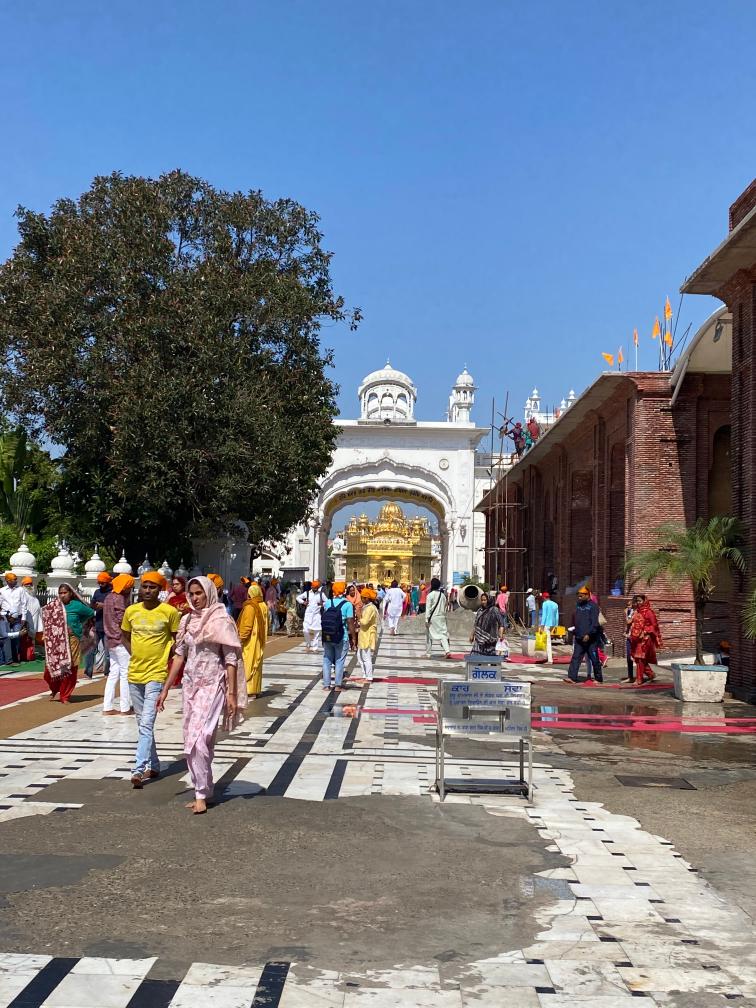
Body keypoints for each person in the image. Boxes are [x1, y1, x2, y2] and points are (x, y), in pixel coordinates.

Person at [158, 576, 247, 815]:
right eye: (192, 594)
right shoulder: (187, 620)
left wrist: (231, 692)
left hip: (214, 685)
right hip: (191, 686)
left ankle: (201, 792)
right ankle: (202, 788)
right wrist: (166, 688)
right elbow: (179, 656)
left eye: (199, 593)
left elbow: (230, 658)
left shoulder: (220, 619)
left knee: (201, 738)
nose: (196, 598)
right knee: (194, 739)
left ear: (209, 593)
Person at [121, 571, 181, 788]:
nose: (147, 591)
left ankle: (138, 769)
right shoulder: (131, 611)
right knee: (141, 723)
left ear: (160, 589)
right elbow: (124, 636)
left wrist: (169, 659)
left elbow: (177, 641)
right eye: (144, 586)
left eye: (152, 587)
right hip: (134, 673)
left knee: (147, 723)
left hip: (156, 675)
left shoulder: (170, 612)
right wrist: (135, 653)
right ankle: (154, 764)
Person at [41, 583, 95, 703]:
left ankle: (65, 695)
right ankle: (55, 688)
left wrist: (76, 626)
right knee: (49, 670)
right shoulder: (54, 606)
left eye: (65, 593)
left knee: (70, 668)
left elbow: (90, 613)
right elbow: (47, 620)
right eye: (60, 593)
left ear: (71, 593)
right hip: (56, 641)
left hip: (72, 640)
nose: (62, 595)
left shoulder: (77, 606)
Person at [103, 574, 134, 715]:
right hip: (121, 640)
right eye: (130, 587)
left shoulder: (109, 597)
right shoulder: (119, 598)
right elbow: (123, 619)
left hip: (110, 639)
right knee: (125, 673)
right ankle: (125, 707)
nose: (131, 589)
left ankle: (107, 707)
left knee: (113, 674)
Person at [321, 580, 354, 692]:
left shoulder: (328, 603)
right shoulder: (347, 604)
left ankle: (326, 685)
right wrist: (353, 638)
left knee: (327, 659)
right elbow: (350, 622)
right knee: (339, 660)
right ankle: (338, 685)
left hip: (327, 635)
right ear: (344, 591)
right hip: (341, 636)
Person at [237, 582, 268, 698]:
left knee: (248, 663)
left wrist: (241, 638)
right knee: (256, 664)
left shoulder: (250, 606)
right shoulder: (263, 605)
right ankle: (254, 690)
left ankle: (248, 690)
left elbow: (247, 626)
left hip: (250, 641)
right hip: (259, 640)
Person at [566, 587, 603, 684]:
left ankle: (598, 678)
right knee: (576, 657)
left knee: (594, 658)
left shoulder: (593, 606)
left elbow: (595, 623)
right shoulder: (578, 605)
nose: (579, 597)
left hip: (590, 638)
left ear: (587, 595)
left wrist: (589, 634)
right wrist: (574, 631)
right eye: (578, 595)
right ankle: (572, 677)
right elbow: (577, 620)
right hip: (579, 637)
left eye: (581, 595)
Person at [84, 571, 112, 679]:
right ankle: (88, 672)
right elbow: (92, 604)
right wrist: (93, 605)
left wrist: (104, 605)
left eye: (103, 583)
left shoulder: (113, 593)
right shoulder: (97, 592)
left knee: (108, 653)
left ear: (107, 582)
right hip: (97, 625)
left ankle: (107, 672)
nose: (100, 585)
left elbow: (115, 607)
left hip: (108, 627)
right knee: (90, 650)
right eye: (99, 583)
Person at [629, 594, 662, 685]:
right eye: (637, 601)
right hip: (636, 637)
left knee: (640, 658)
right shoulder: (637, 611)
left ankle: (639, 679)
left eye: (640, 601)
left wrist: (645, 631)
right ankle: (650, 674)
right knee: (637, 657)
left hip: (646, 638)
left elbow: (654, 625)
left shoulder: (649, 612)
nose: (638, 603)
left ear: (645, 601)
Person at [1, 571, 28, 663]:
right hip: (5, 617)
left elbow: (24, 604)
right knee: (7, 638)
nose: (16, 581)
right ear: (8, 581)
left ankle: (16, 658)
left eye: (16, 579)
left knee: (16, 638)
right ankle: (9, 660)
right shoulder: (2, 591)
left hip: (17, 618)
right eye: (13, 580)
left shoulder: (20, 590)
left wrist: (24, 617)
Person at [356, 587, 378, 682]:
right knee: (359, 656)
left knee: (366, 657)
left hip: (367, 634)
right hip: (363, 634)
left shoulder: (370, 609)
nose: (361, 599)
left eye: (363, 597)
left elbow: (364, 622)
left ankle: (369, 677)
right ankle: (365, 674)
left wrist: (358, 616)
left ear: (367, 598)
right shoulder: (367, 607)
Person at [425, 577, 451, 658]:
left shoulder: (430, 595)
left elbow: (428, 608)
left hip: (433, 617)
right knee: (443, 634)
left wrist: (426, 619)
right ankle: (447, 651)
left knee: (429, 635)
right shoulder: (442, 595)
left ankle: (428, 653)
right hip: (442, 617)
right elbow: (445, 606)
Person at [298, 579, 325, 652]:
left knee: (317, 632)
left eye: (316, 587)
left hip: (317, 615)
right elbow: (298, 598)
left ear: (318, 587)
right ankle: (308, 645)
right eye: (313, 587)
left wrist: (322, 604)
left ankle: (315, 648)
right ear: (311, 586)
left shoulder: (321, 594)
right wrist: (303, 602)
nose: (314, 588)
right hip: (308, 615)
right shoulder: (307, 593)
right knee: (305, 630)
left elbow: (327, 601)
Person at [21, 577, 41, 661]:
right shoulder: (23, 596)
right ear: (23, 585)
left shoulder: (34, 597)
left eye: (30, 584)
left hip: (34, 621)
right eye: (27, 584)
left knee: (31, 640)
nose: (29, 585)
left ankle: (30, 656)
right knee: (25, 640)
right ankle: (25, 656)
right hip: (26, 621)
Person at [540, 591, 559, 662]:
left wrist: (542, 625)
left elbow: (544, 615)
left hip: (546, 624)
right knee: (548, 640)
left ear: (544, 597)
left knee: (547, 642)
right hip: (553, 624)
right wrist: (556, 626)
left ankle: (550, 659)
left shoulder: (545, 604)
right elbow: (557, 616)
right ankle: (548, 657)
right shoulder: (555, 604)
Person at [624, 596, 638, 682]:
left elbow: (628, 621)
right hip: (629, 636)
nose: (628, 607)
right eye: (627, 605)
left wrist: (625, 614)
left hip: (634, 637)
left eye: (629, 605)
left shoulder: (635, 612)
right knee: (629, 657)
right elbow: (628, 624)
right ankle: (630, 676)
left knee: (636, 657)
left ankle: (648, 674)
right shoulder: (630, 611)